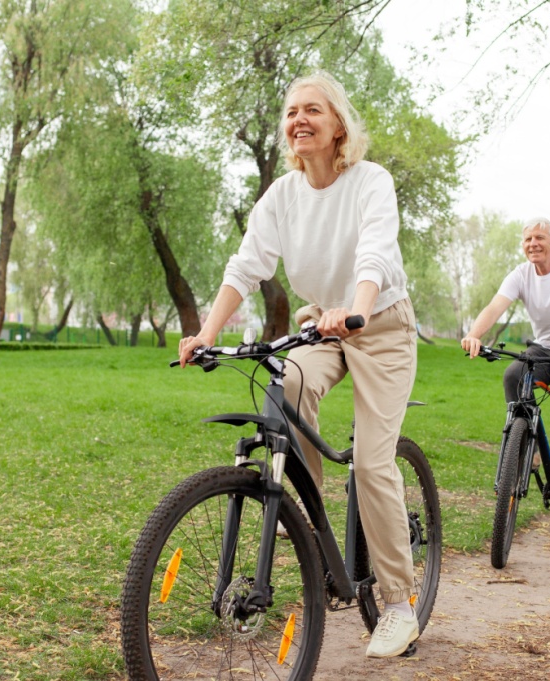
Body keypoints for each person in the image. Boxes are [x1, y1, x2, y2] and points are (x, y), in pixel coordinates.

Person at [178, 71, 420, 658]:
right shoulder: (282, 195)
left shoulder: (370, 182)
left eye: (312, 109)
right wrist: (206, 332)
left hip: (379, 326)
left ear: (338, 125)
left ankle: (397, 603)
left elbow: (376, 254)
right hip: (321, 325)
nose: (299, 120)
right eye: (291, 112)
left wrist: (356, 311)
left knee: (370, 460)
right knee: (284, 388)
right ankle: (317, 539)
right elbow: (246, 266)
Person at [461, 217, 550, 535]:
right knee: (513, 375)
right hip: (545, 349)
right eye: (528, 239)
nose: (533, 244)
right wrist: (474, 334)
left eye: (540, 238)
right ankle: (532, 446)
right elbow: (494, 306)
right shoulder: (521, 274)